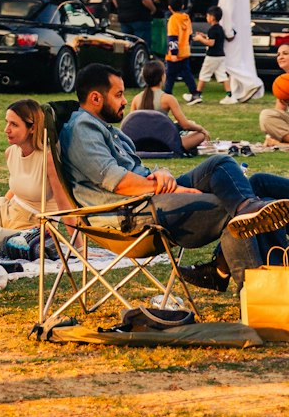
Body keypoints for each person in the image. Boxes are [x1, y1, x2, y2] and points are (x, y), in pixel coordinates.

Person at [59, 63, 289, 294]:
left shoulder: (104, 128)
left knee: (221, 165)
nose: (124, 101)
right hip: (130, 213)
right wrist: (178, 190)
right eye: (118, 95)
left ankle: (245, 220)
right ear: (96, 98)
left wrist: (164, 174)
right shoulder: (82, 129)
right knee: (236, 213)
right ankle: (260, 294)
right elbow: (119, 182)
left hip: (146, 199)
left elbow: (136, 172)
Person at [0, 98, 67, 248]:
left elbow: (65, 204)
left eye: (14, 124)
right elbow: (20, 184)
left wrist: (79, 247)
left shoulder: (47, 159)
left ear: (32, 128)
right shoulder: (11, 152)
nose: (6, 129)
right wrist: (3, 201)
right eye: (7, 122)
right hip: (6, 212)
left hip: (32, 227)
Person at [121, 59, 207, 156]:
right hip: (165, 145)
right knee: (200, 135)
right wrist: (201, 129)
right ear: (162, 77)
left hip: (140, 145)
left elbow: (132, 125)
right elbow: (185, 125)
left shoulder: (136, 98)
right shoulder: (168, 99)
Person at [218, 0, 264, 105]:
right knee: (241, 58)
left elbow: (227, 5)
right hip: (242, 25)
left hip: (232, 26)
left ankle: (252, 83)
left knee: (229, 61)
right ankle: (236, 94)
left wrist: (227, 28)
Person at [164, 0, 200, 103]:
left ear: (170, 7)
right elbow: (189, 35)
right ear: (183, 6)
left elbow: (173, 37)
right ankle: (195, 93)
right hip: (185, 50)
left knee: (170, 75)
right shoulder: (186, 18)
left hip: (175, 53)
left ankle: (167, 94)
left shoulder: (173, 20)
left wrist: (174, 53)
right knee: (187, 73)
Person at [192, 5, 228, 93]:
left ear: (212, 17)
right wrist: (205, 36)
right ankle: (230, 95)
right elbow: (215, 39)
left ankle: (197, 94)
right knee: (222, 76)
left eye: (207, 16)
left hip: (212, 56)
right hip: (221, 56)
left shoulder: (212, 29)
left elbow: (211, 43)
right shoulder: (220, 29)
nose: (206, 18)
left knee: (203, 74)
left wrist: (200, 39)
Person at [261, 45, 289, 148]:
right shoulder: (283, 82)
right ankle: (279, 143)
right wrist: (269, 136)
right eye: (278, 54)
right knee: (267, 115)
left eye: (285, 54)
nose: (280, 57)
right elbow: (278, 112)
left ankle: (281, 145)